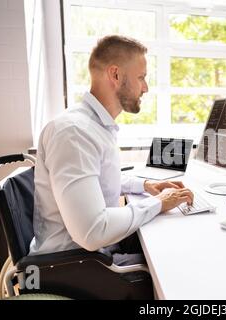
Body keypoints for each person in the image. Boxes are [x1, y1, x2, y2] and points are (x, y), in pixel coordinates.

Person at [29, 35, 194, 273]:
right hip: (73, 268)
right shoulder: (75, 133)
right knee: (176, 268)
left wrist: (146, 186)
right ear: (115, 75)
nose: (146, 88)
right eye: (142, 77)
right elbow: (92, 232)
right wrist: (158, 203)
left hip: (91, 256)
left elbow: (98, 178)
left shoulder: (93, 126)